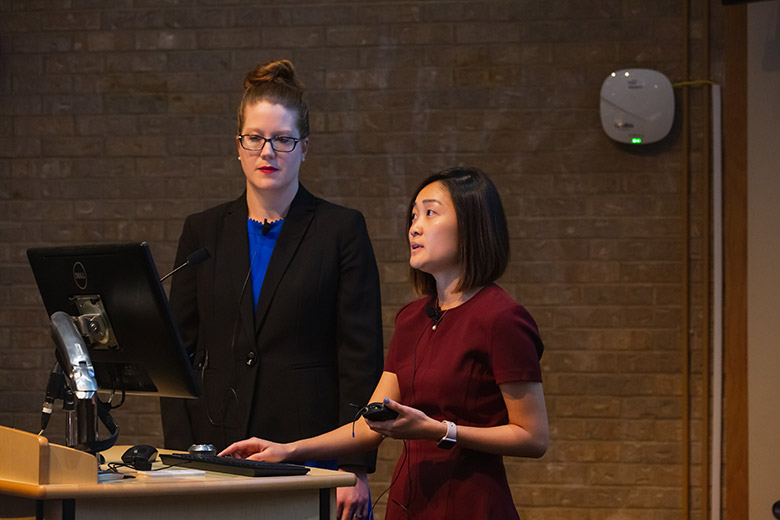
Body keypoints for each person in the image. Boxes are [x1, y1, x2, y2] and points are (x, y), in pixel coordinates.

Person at [220, 166, 550, 519]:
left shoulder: (501, 318)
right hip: (408, 502)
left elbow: (532, 437)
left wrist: (439, 431)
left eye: (430, 213)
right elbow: (366, 427)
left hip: (471, 504)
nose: (415, 227)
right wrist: (286, 451)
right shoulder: (411, 319)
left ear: (471, 224)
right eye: (413, 216)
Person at [159, 59, 384, 519]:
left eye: (283, 139)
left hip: (308, 458)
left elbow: (360, 358)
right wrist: (180, 456)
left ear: (304, 148)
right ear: (237, 146)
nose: (268, 151)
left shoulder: (341, 230)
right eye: (255, 138)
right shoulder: (202, 231)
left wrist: (353, 467)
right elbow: (177, 353)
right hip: (213, 457)